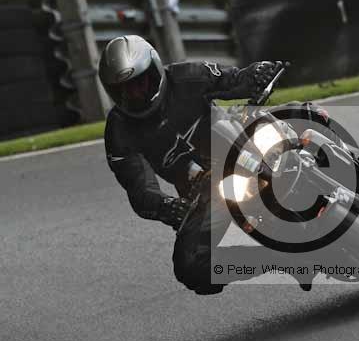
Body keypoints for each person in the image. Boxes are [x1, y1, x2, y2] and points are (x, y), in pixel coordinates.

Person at [99, 35, 295, 295]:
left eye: (139, 83)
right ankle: (279, 257)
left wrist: (257, 73)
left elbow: (233, 79)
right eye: (125, 90)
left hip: (240, 144)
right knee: (190, 266)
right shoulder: (119, 133)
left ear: (154, 71)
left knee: (295, 115)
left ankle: (344, 158)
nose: (135, 94)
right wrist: (167, 207)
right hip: (209, 193)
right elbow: (140, 189)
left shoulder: (187, 77)